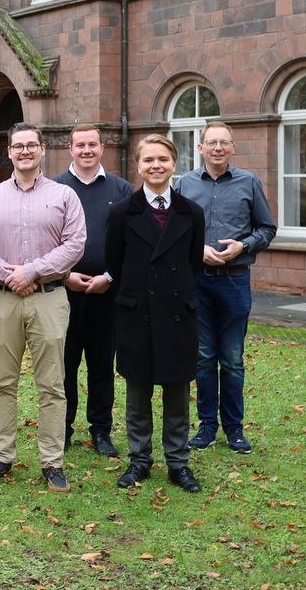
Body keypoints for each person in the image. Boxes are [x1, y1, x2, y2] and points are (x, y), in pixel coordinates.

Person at [0, 122, 86, 493]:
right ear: (9, 151)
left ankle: (52, 462)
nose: (24, 151)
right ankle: (2, 455)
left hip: (49, 299)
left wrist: (32, 271)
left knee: (52, 383)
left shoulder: (65, 195)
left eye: (31, 145)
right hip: (3, 299)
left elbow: (75, 243)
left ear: (42, 150)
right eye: (18, 146)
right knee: (1, 381)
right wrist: (8, 274)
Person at [106, 134, 205, 493]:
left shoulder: (191, 213)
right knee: (138, 392)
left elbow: (193, 263)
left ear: (174, 163)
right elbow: (114, 262)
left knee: (177, 393)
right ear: (138, 165)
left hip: (178, 312)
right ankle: (140, 460)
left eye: (162, 159)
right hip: (137, 313)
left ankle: (178, 463)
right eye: (148, 160)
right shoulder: (122, 212)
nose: (156, 166)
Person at [178, 121, 276, 455]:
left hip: (235, 281)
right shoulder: (185, 185)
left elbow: (266, 228)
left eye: (224, 143)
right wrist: (196, 250)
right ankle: (206, 426)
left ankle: (234, 429)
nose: (218, 148)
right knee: (204, 357)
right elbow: (175, 231)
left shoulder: (249, 182)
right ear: (200, 148)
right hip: (198, 282)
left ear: (233, 148)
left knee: (232, 359)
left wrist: (243, 246)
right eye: (211, 142)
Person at [53, 124, 134, 457]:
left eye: (93, 145)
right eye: (80, 145)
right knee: (65, 365)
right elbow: (46, 240)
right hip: (63, 291)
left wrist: (110, 277)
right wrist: (64, 274)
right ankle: (64, 429)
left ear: (103, 148)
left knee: (102, 365)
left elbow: (132, 243)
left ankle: (101, 430)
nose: (86, 150)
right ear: (70, 149)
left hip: (107, 293)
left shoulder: (122, 189)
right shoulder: (54, 188)